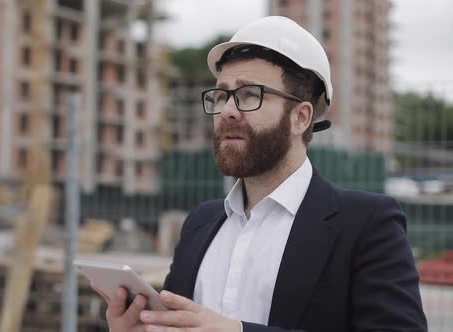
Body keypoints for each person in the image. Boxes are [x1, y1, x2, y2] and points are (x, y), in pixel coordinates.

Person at [92, 16, 427, 331]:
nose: (227, 111)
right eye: (221, 95)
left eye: (249, 95)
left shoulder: (367, 224)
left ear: (301, 117)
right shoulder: (201, 223)